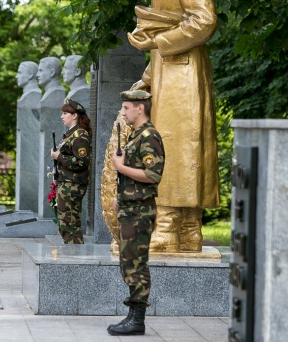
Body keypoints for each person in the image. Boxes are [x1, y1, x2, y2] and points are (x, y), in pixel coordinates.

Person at [127, 0, 219, 252]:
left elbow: (205, 20)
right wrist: (146, 78)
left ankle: (168, 229)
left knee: (173, 148)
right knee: (183, 148)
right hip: (174, 71)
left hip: (182, 76)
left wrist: (157, 42)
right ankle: (189, 230)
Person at [107, 90, 165, 336]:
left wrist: (120, 166)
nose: (123, 112)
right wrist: (122, 197)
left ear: (140, 108)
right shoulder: (136, 136)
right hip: (131, 208)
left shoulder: (149, 136)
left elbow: (153, 176)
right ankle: (133, 315)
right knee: (128, 262)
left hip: (139, 211)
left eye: (126, 108)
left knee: (136, 264)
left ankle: (137, 319)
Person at [50, 98, 92, 244]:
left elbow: (82, 162)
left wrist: (59, 156)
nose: (62, 116)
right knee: (65, 223)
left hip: (73, 184)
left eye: (65, 113)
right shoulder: (71, 134)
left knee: (70, 223)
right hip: (67, 182)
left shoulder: (80, 135)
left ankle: (75, 255)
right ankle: (72, 253)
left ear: (75, 115)